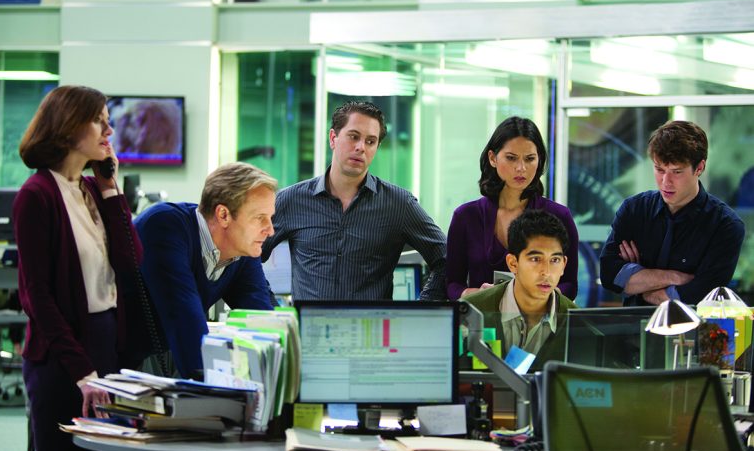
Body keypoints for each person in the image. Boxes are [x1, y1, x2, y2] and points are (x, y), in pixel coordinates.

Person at [14, 85, 141, 451]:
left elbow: (131, 261)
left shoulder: (90, 189)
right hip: (61, 359)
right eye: (99, 121)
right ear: (69, 127)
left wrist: (109, 188)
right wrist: (82, 373)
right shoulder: (37, 195)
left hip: (106, 348)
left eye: (108, 121)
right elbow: (36, 297)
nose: (109, 131)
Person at [261, 101, 447, 301]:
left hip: (373, 329)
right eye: (353, 137)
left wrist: (422, 309)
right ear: (333, 138)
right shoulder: (292, 200)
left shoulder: (399, 204)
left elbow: (447, 258)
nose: (361, 148)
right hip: (308, 329)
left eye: (370, 141)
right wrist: (268, 306)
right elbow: (246, 254)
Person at [134, 162, 275, 379]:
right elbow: (185, 323)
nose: (270, 230)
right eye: (260, 218)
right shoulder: (164, 226)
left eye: (270, 218)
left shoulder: (241, 250)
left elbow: (264, 323)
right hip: (118, 365)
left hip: (168, 356)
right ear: (223, 215)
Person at [600, 120, 745, 306]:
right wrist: (674, 277)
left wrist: (640, 282)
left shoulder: (725, 225)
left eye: (677, 172)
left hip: (693, 332)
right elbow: (609, 276)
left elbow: (701, 295)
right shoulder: (634, 210)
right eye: (659, 169)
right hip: (633, 330)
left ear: (699, 168)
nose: (665, 182)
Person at [446, 116, 579, 301]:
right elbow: (452, 284)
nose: (521, 168)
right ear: (492, 158)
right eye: (511, 158)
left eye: (530, 158)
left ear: (539, 160)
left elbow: (570, 284)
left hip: (539, 323)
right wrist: (474, 294)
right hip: (482, 323)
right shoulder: (465, 216)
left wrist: (539, 296)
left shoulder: (559, 216)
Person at [462, 209, 577, 371]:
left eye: (555, 260)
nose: (546, 271)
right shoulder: (471, 311)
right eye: (536, 259)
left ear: (564, 265)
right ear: (513, 263)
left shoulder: (578, 322)